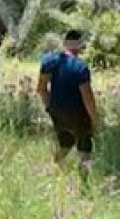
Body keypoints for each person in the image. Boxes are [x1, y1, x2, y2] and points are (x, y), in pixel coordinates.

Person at [37, 29, 101, 168]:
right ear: (80, 45)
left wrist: (50, 107)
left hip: (57, 111)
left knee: (65, 144)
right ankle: (85, 180)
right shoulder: (80, 67)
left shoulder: (49, 61)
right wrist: (95, 120)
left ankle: (53, 168)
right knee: (85, 148)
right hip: (78, 114)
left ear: (65, 43)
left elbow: (41, 89)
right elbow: (88, 98)